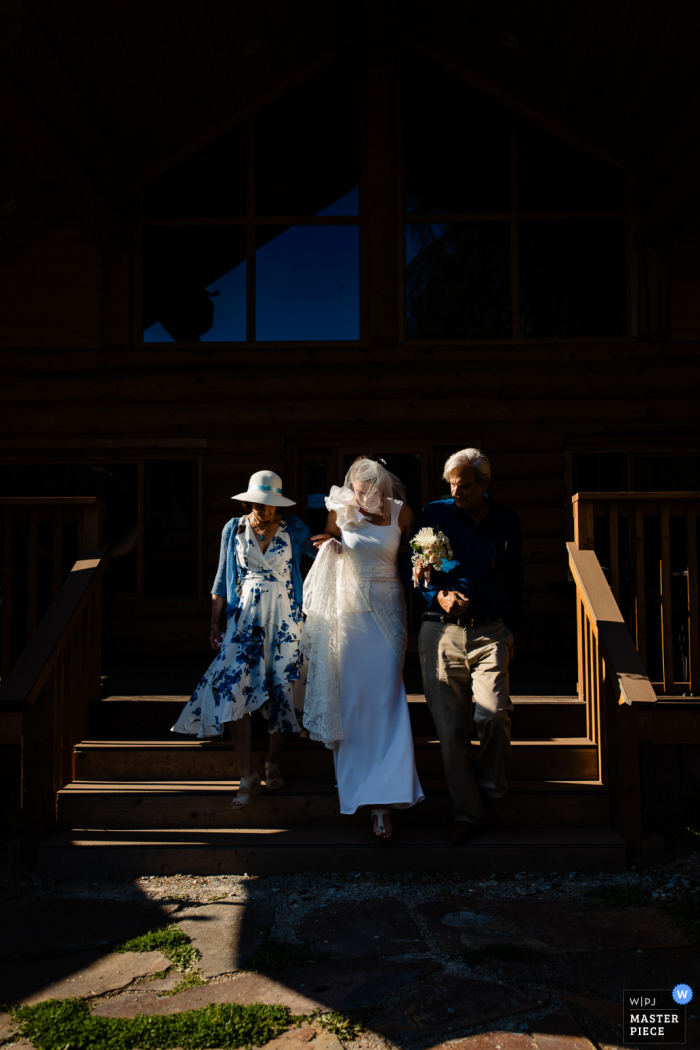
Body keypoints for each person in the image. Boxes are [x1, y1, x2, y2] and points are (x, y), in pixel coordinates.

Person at [172, 470, 316, 808]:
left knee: (283, 689)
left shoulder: (294, 528)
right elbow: (222, 579)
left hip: (285, 621)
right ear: (249, 499)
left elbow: (324, 558)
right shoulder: (233, 528)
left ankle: (272, 761)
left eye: (271, 504)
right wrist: (214, 623)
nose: (265, 509)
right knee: (235, 687)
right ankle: (246, 774)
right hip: (244, 619)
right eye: (259, 502)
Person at [407, 448, 523, 843]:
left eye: (465, 485)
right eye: (451, 484)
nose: (457, 491)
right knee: (451, 729)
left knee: (493, 715)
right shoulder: (433, 515)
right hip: (441, 633)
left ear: (484, 484)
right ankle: (468, 813)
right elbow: (419, 573)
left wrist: (514, 630)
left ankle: (494, 790)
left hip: (492, 631)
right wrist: (436, 596)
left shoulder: (506, 521)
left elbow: (516, 579)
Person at [305, 457, 424, 840]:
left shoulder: (402, 514)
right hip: (352, 617)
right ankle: (361, 793)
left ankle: (387, 797)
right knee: (355, 700)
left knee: (388, 699)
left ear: (384, 487)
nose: (366, 497)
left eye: (372, 490)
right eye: (359, 491)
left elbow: (414, 556)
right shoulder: (340, 509)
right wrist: (331, 546)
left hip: (389, 614)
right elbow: (326, 543)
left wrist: (424, 563)